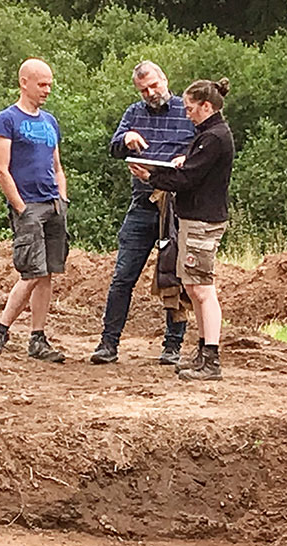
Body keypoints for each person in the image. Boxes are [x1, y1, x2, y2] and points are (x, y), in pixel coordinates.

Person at [127, 78, 234, 381]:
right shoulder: (207, 136)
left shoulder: (213, 138)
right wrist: (182, 163)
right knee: (193, 286)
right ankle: (203, 352)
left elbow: (188, 179)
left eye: (190, 108)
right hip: (194, 218)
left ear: (206, 106)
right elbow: (192, 170)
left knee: (202, 288)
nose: (186, 114)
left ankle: (211, 357)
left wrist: (151, 177)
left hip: (202, 221)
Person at [90, 61, 196, 366]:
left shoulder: (186, 110)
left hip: (177, 206)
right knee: (123, 277)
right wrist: (125, 140)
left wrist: (185, 158)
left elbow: (205, 148)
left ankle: (173, 346)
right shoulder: (134, 113)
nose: (150, 93)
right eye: (143, 90)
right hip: (142, 204)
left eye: (153, 86)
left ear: (165, 79)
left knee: (175, 277)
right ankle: (108, 343)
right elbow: (113, 147)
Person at [0, 58, 69, 364]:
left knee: (47, 274)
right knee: (31, 273)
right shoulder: (6, 121)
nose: (47, 90)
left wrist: (62, 199)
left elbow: (57, 166)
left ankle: (38, 338)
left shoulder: (50, 122)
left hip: (53, 205)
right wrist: (20, 207)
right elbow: (1, 170)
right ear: (24, 82)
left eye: (49, 85)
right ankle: (0, 333)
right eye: (42, 84)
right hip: (28, 206)